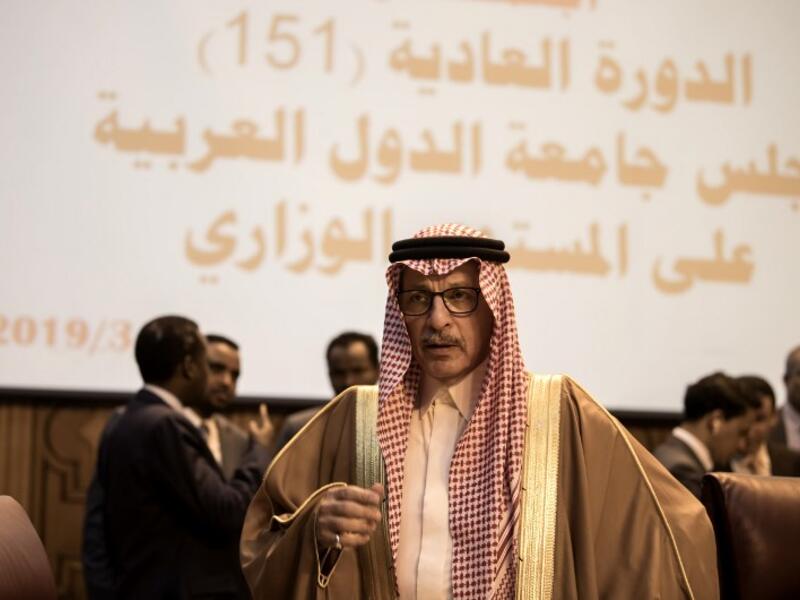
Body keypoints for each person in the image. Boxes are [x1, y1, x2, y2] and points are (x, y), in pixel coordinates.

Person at [241, 224, 719, 599]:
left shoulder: (558, 414)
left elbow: (673, 531)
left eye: (459, 296)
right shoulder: (354, 419)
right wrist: (316, 531)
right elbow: (265, 540)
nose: (437, 320)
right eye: (417, 299)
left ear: (492, 306)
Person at [93, 317, 271, 599]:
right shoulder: (165, 424)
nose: (221, 380)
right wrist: (259, 449)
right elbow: (225, 510)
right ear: (190, 367)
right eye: (208, 365)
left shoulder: (129, 418)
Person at [653, 372, 753, 499]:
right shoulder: (683, 471)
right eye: (741, 432)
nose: (741, 446)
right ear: (716, 421)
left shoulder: (667, 453)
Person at [273, 331, 379, 451]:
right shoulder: (301, 428)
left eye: (358, 371)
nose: (348, 381)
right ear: (329, 374)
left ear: (378, 370)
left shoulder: (397, 426)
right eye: (339, 373)